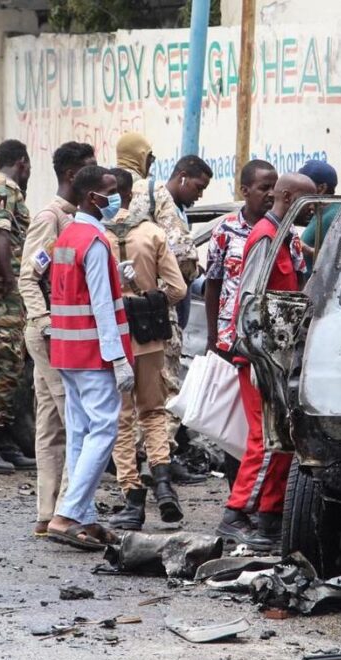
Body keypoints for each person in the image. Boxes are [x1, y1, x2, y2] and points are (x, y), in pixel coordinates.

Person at [217, 173, 315, 550]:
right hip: (262, 354)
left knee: (277, 439)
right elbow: (251, 299)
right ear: (287, 197)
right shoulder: (264, 237)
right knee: (266, 440)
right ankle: (238, 512)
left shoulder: (283, 237)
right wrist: (257, 352)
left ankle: (266, 519)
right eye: (305, 203)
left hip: (274, 353)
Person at [46, 165, 135, 551]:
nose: (115, 198)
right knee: (104, 431)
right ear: (90, 198)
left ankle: (82, 515)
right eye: (109, 191)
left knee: (81, 432)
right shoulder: (95, 242)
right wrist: (119, 360)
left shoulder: (68, 235)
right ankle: (67, 515)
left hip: (66, 350)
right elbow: (101, 304)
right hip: (93, 352)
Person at [104, 163, 188, 531]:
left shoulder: (97, 236)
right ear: (131, 193)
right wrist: (149, 299)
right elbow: (179, 289)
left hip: (113, 339)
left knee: (122, 420)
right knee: (153, 412)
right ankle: (165, 485)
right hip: (150, 337)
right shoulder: (153, 233)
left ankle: (132, 498)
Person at [19, 141, 96, 537]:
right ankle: (72, 512)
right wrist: (45, 320)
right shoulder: (52, 219)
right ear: (72, 176)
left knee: (50, 424)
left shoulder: (73, 219)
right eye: (90, 170)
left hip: (54, 332)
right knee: (75, 422)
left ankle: (46, 513)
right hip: (52, 335)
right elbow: (28, 276)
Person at [124, 154, 209, 461]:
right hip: (158, 316)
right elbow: (185, 258)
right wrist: (185, 280)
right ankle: (159, 462)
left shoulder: (132, 205)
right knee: (166, 391)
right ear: (183, 177)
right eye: (198, 186)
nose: (200, 195)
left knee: (135, 398)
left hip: (127, 315)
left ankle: (135, 460)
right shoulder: (161, 202)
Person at [0, 139, 36, 474]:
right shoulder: (3, 190)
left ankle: (5, 441)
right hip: (4, 295)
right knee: (4, 367)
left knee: (13, 369)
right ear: (22, 163)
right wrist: (11, 282)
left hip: (8, 293)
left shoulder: (6, 191)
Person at [205, 160, 277, 355]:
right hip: (230, 338)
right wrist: (212, 338)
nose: (271, 193)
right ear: (245, 191)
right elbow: (213, 285)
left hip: (271, 338)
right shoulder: (224, 230)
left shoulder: (285, 232)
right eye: (264, 188)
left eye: (275, 187)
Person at [297, 160, 340, 270]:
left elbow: (338, 259)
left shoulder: (335, 215)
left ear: (321, 188)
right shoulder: (319, 210)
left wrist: (307, 249)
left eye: (305, 184)